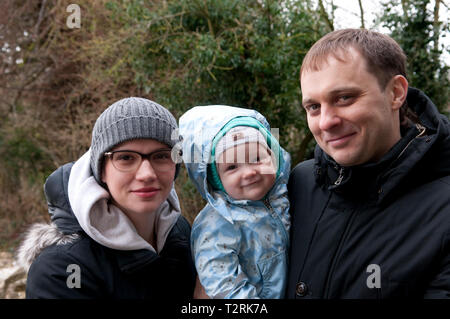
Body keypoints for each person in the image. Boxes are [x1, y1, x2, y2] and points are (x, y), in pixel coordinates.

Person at [286, 28, 450, 298]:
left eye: (344, 98)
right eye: (313, 107)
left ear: (396, 93)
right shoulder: (298, 183)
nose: (326, 122)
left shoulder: (443, 211)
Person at [17, 97, 196, 298]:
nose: (147, 174)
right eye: (126, 158)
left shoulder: (182, 232)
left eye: (162, 156)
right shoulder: (60, 269)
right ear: (101, 170)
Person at [179, 105, 291, 298]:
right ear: (215, 179)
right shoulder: (217, 224)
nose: (249, 172)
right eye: (232, 167)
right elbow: (223, 286)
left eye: (257, 158)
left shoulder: (284, 195)